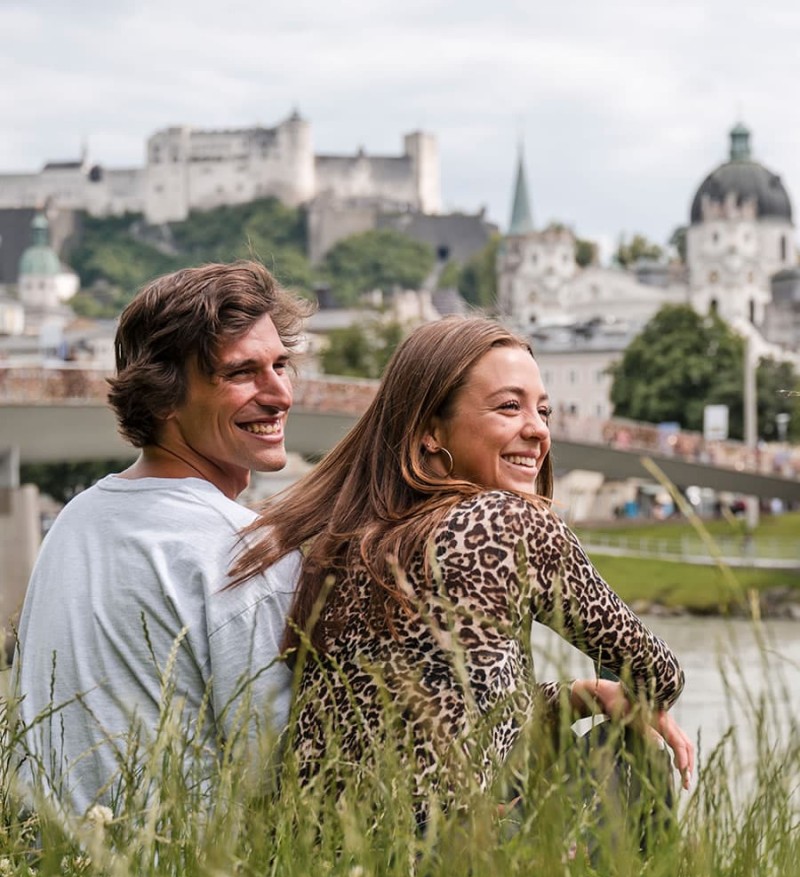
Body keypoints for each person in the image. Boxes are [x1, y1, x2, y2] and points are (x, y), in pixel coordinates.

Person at [232, 316, 692, 814]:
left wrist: (582, 694)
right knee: (638, 751)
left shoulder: (338, 543)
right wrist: (623, 695)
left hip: (329, 864)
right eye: (509, 407)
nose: (537, 429)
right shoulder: (510, 521)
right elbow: (657, 676)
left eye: (543, 410)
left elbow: (446, 714)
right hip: (447, 862)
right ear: (431, 431)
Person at [11, 261, 310, 819]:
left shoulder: (78, 519)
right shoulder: (243, 547)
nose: (279, 394)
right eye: (242, 373)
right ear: (163, 398)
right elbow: (278, 781)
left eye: (282, 365)